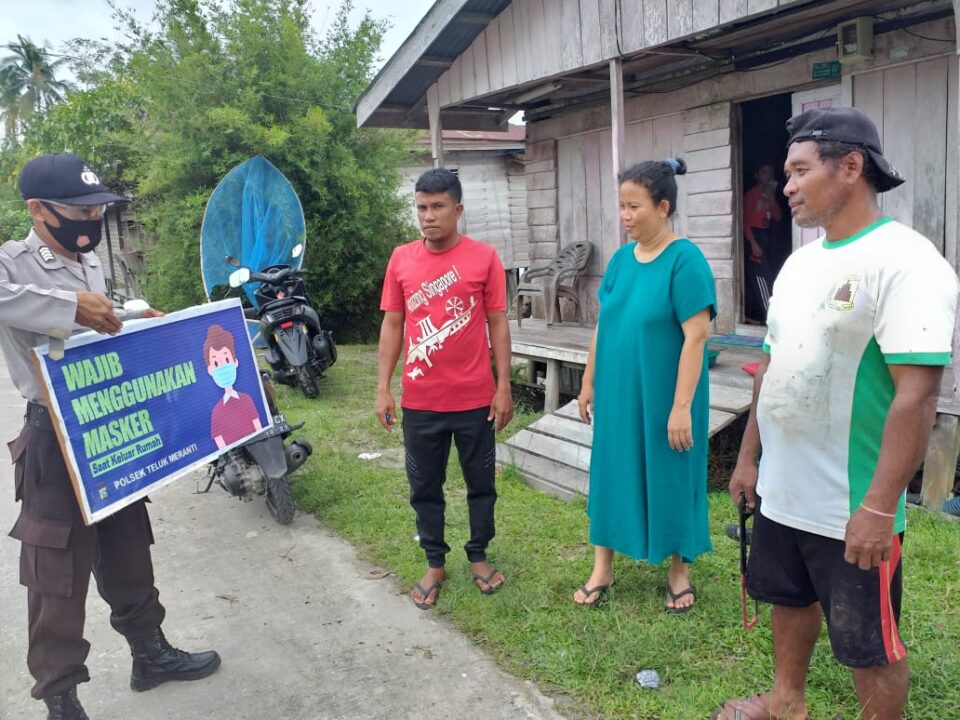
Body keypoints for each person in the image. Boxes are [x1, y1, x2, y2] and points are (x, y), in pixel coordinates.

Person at [715, 107, 959, 720]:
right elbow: (769, 369)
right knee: (788, 598)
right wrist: (748, 461)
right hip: (783, 487)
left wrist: (878, 509)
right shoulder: (799, 264)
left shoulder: (907, 261)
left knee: (868, 641)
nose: (786, 186)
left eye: (799, 171)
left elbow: (917, 395)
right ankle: (784, 701)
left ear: (851, 167)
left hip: (850, 501)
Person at [2, 154, 221, 720]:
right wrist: (69, 305)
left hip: (110, 427)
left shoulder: (89, 259)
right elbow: (48, 310)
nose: (93, 218)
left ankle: (150, 655)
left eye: (98, 208)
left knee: (128, 547)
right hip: (53, 436)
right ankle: (61, 697)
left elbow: (101, 324)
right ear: (37, 209)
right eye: (81, 209)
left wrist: (136, 315)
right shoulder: (12, 262)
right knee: (56, 572)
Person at [574, 158, 716, 611]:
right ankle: (602, 568)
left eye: (634, 207)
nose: (625, 216)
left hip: (666, 394)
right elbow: (605, 325)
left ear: (663, 206)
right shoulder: (619, 261)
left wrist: (680, 407)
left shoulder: (685, 260)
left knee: (673, 473)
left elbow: (696, 336)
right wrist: (589, 379)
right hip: (618, 391)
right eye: (621, 206)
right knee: (611, 470)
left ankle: (678, 570)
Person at [376, 168, 513, 610]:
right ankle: (435, 560)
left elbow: (497, 323)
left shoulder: (484, 258)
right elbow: (393, 323)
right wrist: (383, 387)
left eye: (437, 207)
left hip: (475, 399)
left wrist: (504, 386)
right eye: (421, 207)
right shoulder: (401, 259)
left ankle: (478, 555)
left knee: (480, 485)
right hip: (421, 401)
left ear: (458, 209)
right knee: (424, 486)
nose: (428, 216)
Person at [204, 323, 262, 448]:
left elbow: (259, 428)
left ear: (235, 362)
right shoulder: (216, 412)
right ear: (210, 370)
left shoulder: (247, 400)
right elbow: (220, 443)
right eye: (216, 362)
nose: (223, 367)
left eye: (226, 359)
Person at [743, 164, 782, 322]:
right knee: (762, 277)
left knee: (768, 276)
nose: (768, 176)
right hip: (755, 238)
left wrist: (771, 198)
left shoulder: (770, 195)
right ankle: (770, 318)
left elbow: (778, 217)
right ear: (757, 175)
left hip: (767, 238)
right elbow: (744, 220)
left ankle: (754, 315)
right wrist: (752, 242)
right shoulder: (751, 195)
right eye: (764, 172)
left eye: (771, 173)